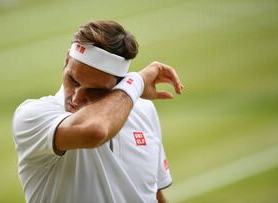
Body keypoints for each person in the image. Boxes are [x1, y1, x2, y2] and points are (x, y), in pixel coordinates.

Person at [12, 20, 184, 203]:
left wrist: (132, 86)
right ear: (66, 60)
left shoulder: (144, 110)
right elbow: (95, 130)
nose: (76, 99)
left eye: (95, 91)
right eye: (72, 80)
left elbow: (153, 194)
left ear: (120, 85)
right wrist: (138, 81)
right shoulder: (32, 116)